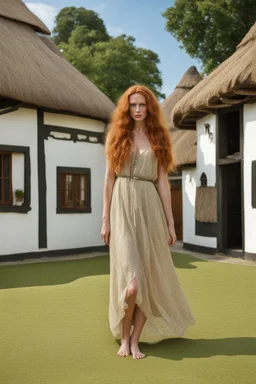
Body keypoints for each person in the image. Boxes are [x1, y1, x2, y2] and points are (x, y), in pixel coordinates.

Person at [101, 85, 195, 360]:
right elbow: (108, 179)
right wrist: (105, 219)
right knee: (132, 285)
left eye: (142, 105)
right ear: (127, 108)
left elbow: (163, 182)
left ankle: (133, 341)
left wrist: (171, 224)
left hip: (150, 207)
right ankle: (124, 334)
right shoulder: (116, 136)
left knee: (147, 280)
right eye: (133, 105)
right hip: (122, 207)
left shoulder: (159, 138)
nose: (138, 109)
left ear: (150, 107)